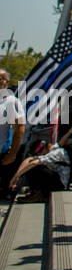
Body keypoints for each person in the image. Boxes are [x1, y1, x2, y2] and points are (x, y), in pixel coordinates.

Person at [9, 133, 72, 202]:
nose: (38, 156)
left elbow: (34, 162)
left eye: (38, 154)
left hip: (61, 184)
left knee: (33, 167)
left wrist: (17, 176)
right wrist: (15, 176)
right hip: (59, 178)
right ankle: (36, 191)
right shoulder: (54, 148)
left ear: (43, 150)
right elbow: (29, 159)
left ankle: (38, 194)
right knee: (30, 164)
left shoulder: (53, 154)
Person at [0, 68, 27, 201]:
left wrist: (12, 154)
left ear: (7, 82)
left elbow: (20, 128)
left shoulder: (11, 101)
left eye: (1, 78)